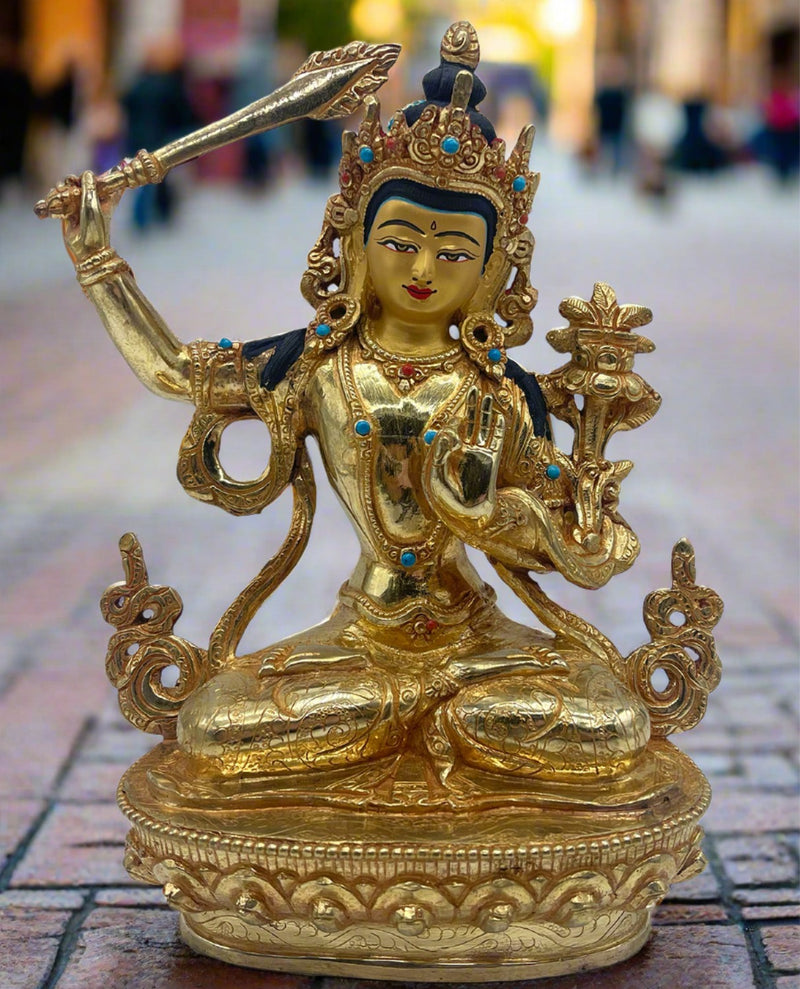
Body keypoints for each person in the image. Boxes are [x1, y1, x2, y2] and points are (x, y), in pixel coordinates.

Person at [60, 23, 649, 795]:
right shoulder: (315, 365)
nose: (424, 267)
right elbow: (175, 371)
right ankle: (423, 723)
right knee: (212, 722)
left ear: (491, 270)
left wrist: (492, 517)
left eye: (455, 253)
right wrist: (98, 263)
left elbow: (585, 550)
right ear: (357, 241)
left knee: (611, 718)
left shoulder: (502, 392)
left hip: (478, 645)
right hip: (360, 641)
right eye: (400, 241)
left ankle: (414, 724)